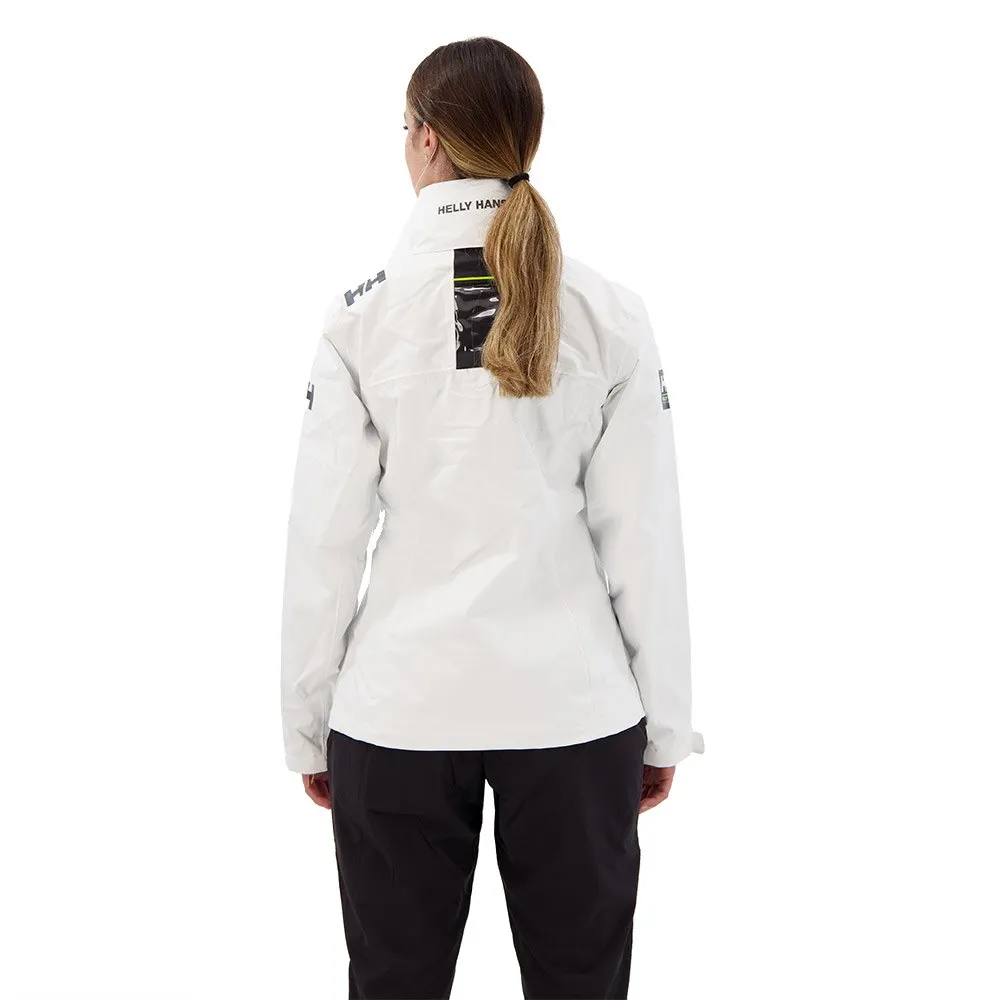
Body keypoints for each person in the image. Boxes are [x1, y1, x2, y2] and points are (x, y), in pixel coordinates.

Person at [279, 36, 705, 1000]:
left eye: (404, 130)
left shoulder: (359, 320)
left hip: (397, 709)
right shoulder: (611, 313)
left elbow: (324, 543)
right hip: (575, 710)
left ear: (426, 139)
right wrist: (665, 726)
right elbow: (644, 536)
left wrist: (307, 725)